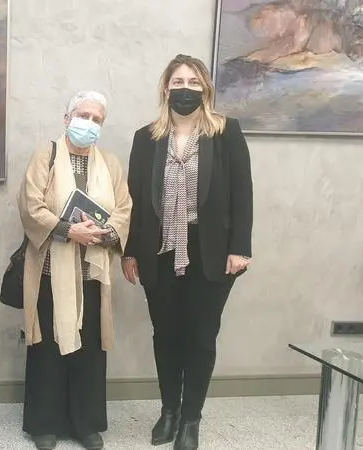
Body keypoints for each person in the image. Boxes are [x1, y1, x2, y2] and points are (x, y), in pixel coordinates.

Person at [122, 54, 253, 450]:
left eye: (194, 82)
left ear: (206, 89)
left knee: (201, 336)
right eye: (178, 81)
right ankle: (169, 411)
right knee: (166, 335)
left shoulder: (226, 132)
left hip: (211, 251)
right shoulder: (146, 138)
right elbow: (134, 200)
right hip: (158, 249)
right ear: (166, 88)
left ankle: (191, 418)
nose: (186, 89)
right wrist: (130, 252)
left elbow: (242, 192)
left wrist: (241, 247)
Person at [17, 91, 132, 450]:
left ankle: (86, 424)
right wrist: (68, 230)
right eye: (83, 115)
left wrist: (106, 233)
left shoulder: (109, 163)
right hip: (50, 272)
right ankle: (45, 424)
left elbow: (124, 208)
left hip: (93, 274)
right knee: (49, 349)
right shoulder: (46, 155)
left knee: (90, 350)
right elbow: (31, 205)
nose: (89, 123)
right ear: (67, 118)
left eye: (97, 119)